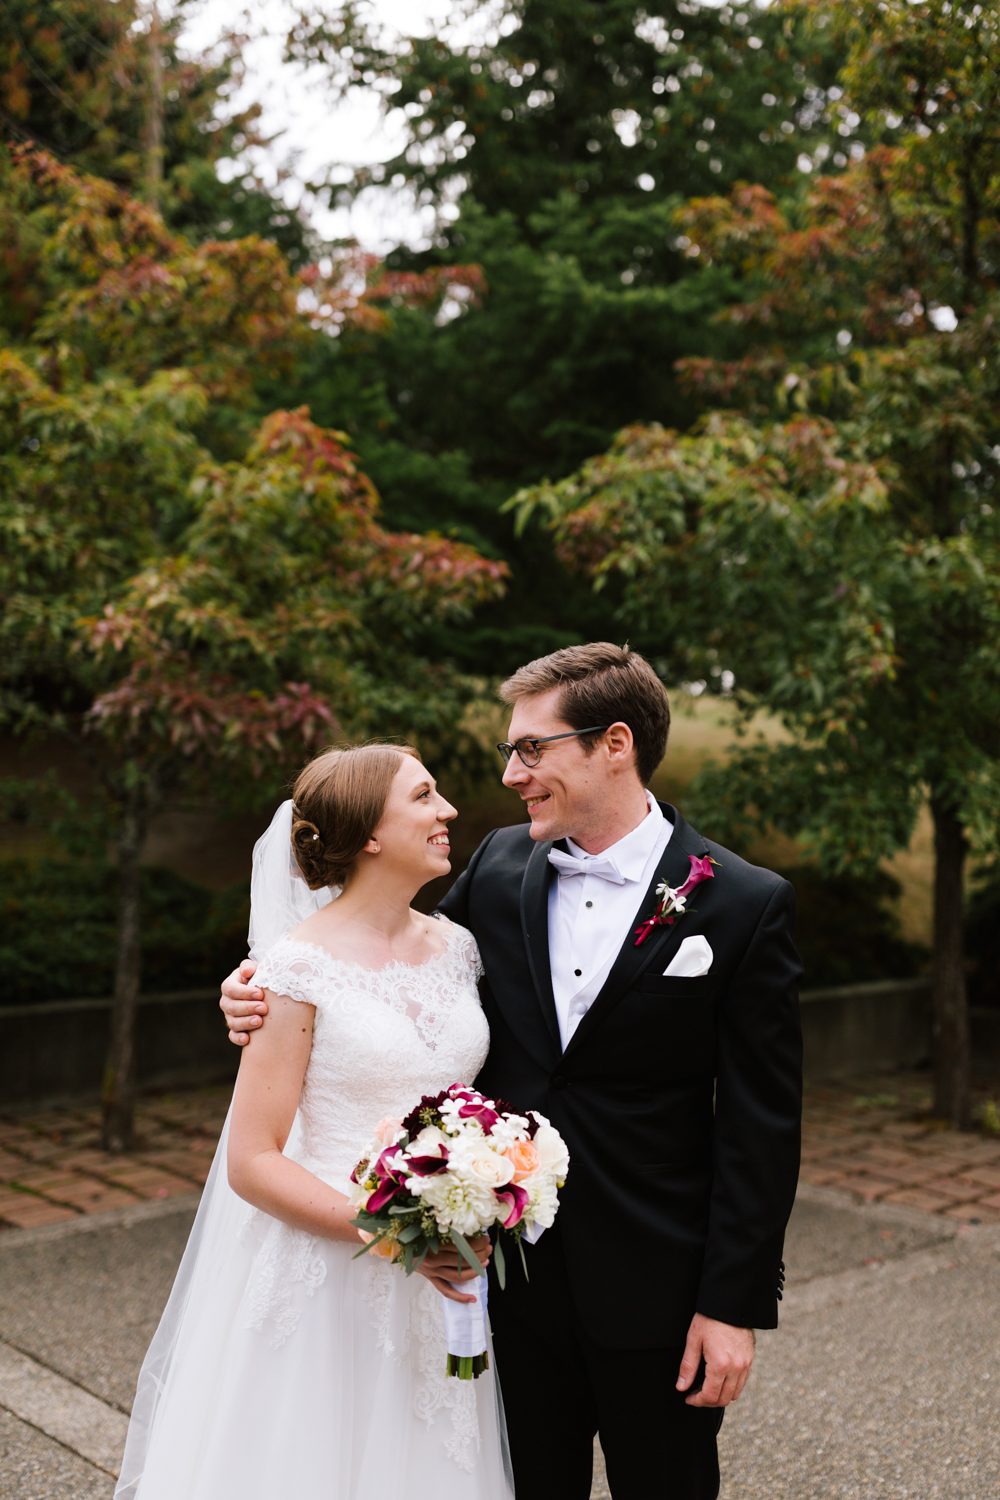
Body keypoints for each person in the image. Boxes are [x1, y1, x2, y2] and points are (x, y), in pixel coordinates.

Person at [222, 643, 803, 1500]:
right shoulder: (496, 868)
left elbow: (763, 1123)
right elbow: (375, 968)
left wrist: (732, 1305)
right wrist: (253, 990)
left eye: (531, 748)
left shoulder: (743, 903)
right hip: (502, 1285)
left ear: (614, 744)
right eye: (510, 750)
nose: (510, 773)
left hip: (658, 1289)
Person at [118, 744, 513, 1500]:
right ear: (369, 834)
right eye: (425, 797)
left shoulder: (459, 948)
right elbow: (253, 1160)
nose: (449, 811)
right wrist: (390, 1232)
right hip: (330, 1268)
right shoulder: (292, 970)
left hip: (445, 1271)